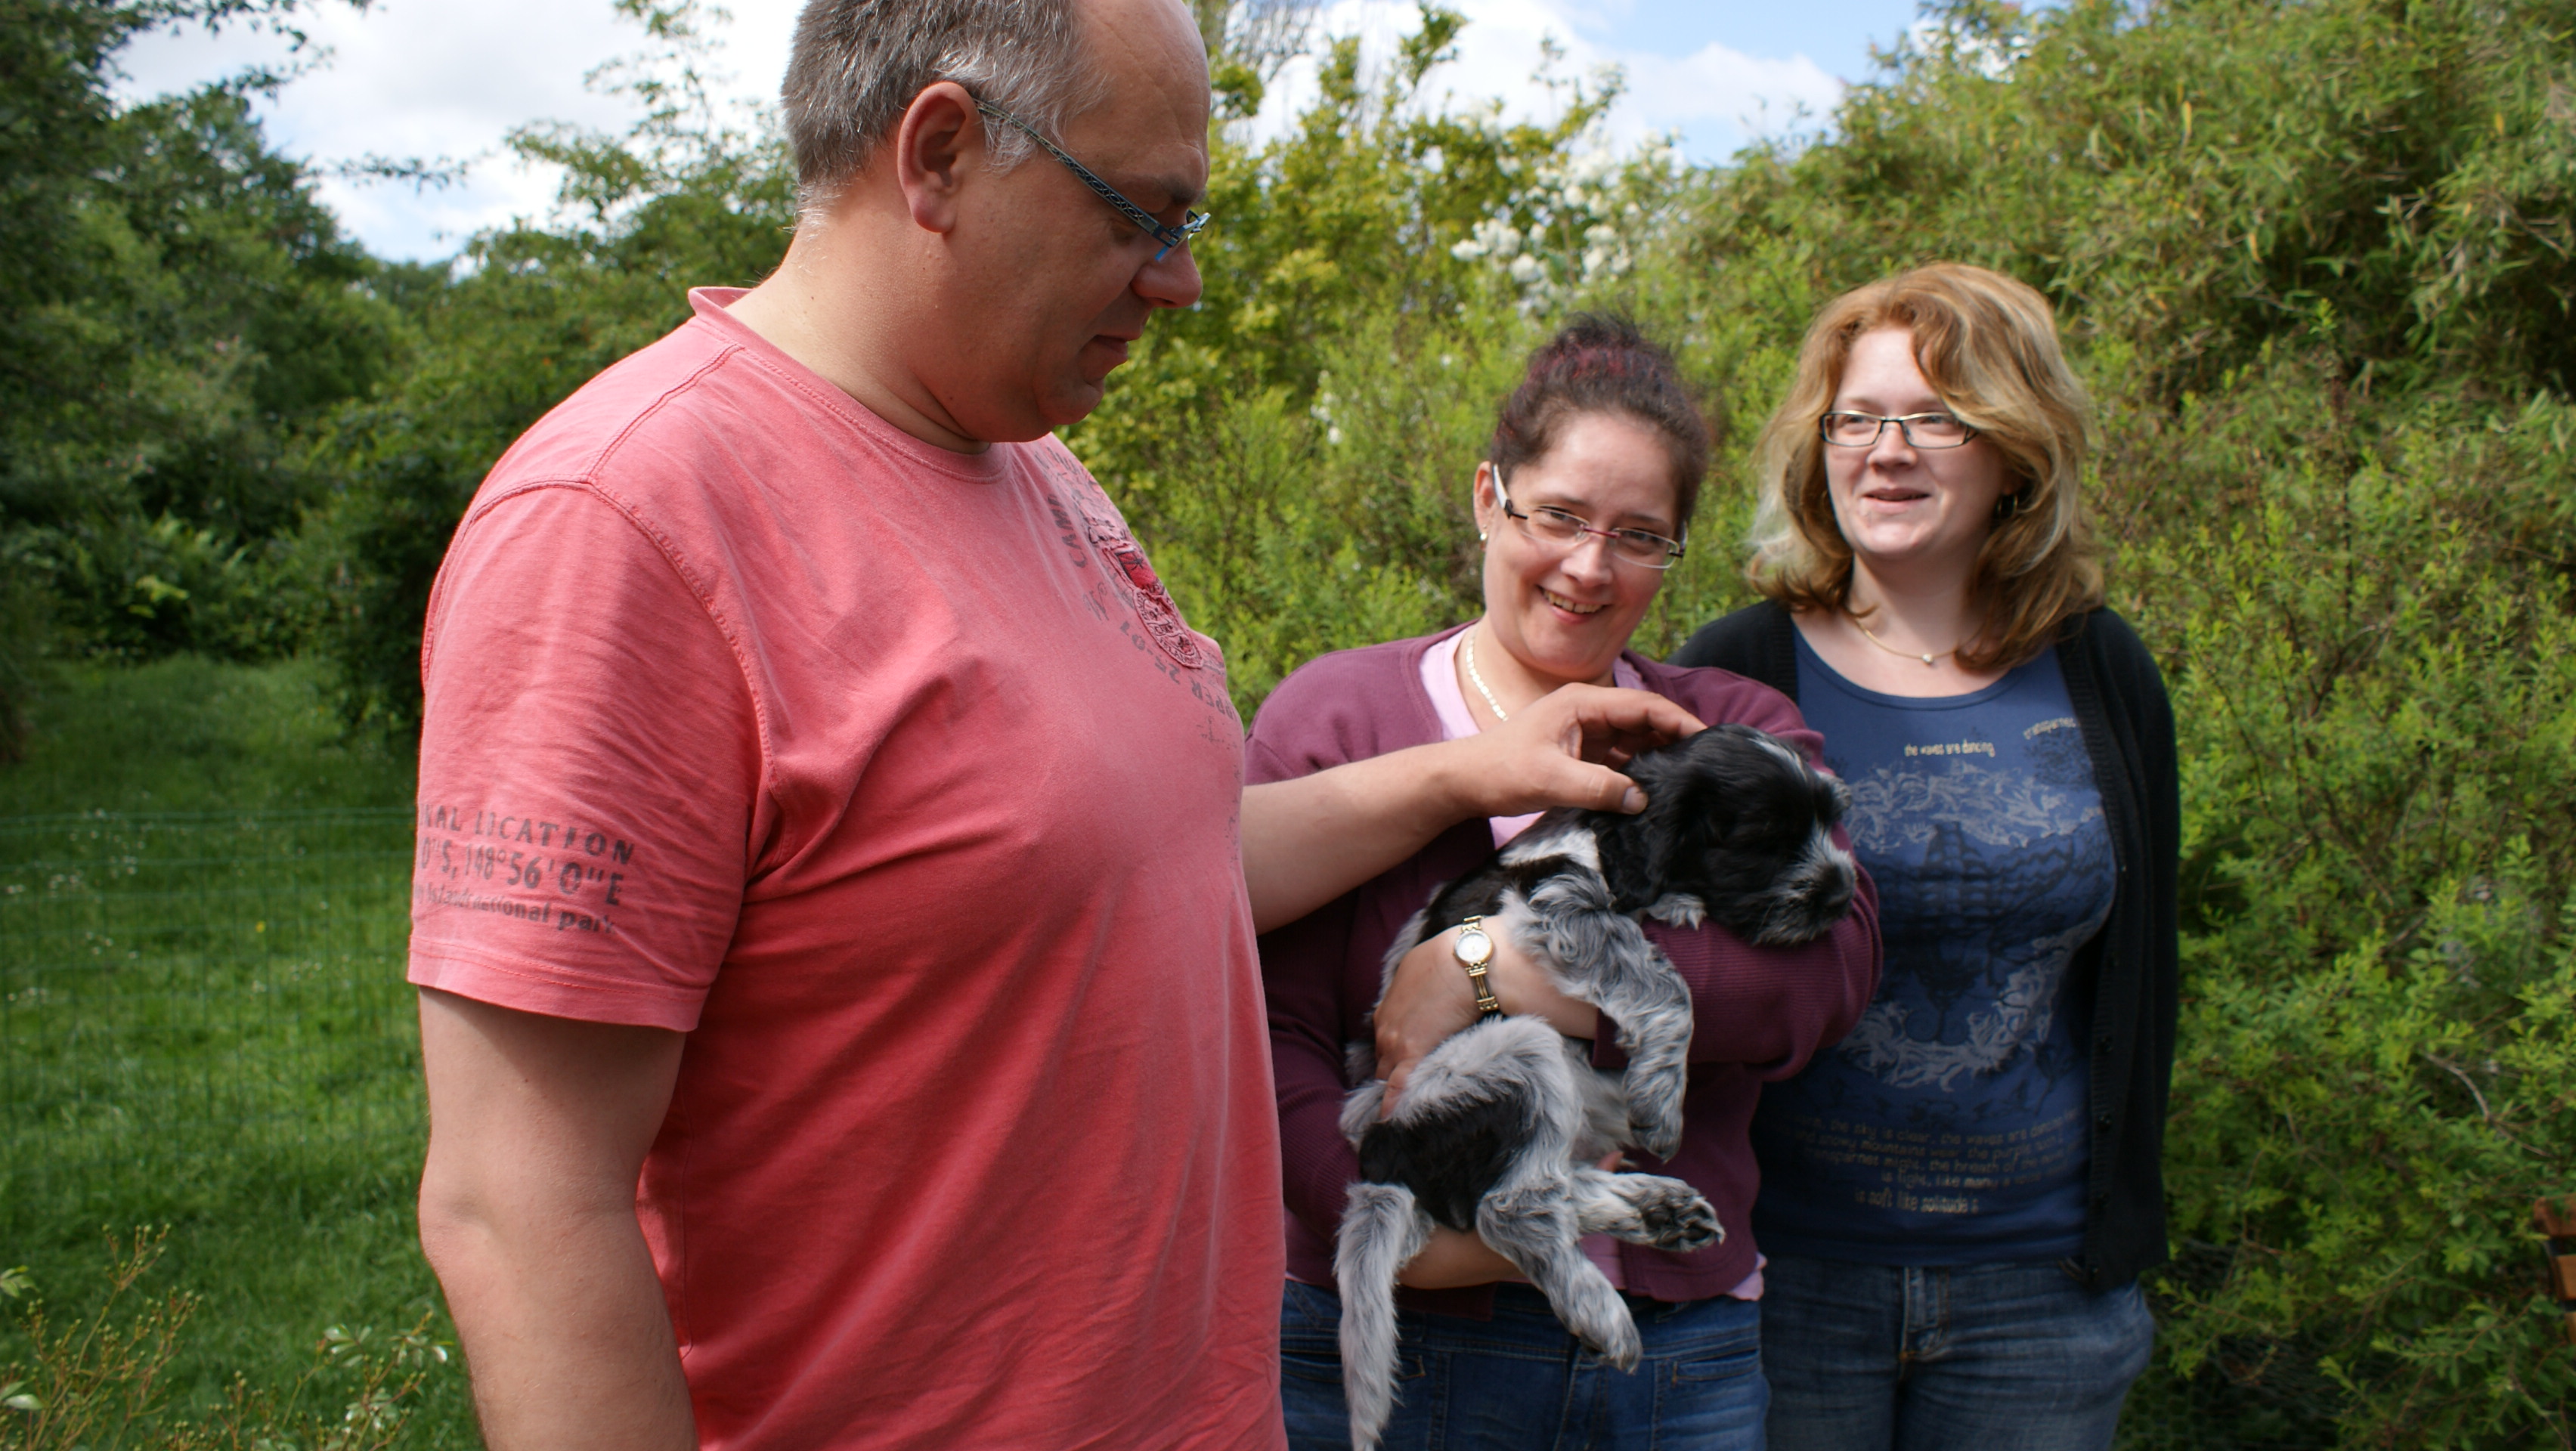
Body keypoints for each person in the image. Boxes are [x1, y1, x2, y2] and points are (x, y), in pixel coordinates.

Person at [404, 2, 1286, 1447]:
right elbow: (521, 1202)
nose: (1178, 281)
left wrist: (1465, 770)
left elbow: (1131, 865)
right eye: (1144, 215)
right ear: (937, 154)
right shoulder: (624, 521)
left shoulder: (1036, 464)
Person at [1240, 315, 1884, 1450]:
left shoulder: (1729, 729)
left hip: (1677, 1349)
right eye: (1561, 517)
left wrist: (1493, 969)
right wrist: (1390, 1219)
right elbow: (1267, 1029)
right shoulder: (1339, 718)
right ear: (1491, 498)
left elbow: (1821, 982)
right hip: (1410, 1327)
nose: (1591, 567)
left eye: (1641, 535)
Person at [1669, 262, 2179, 1450]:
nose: (1886, 450)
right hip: (1785, 1285)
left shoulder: (2104, 670)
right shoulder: (1739, 670)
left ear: (2016, 450)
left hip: (2043, 1300)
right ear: (1820, 445)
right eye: (1858, 418)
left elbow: (2144, 970)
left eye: (1934, 418)